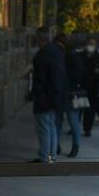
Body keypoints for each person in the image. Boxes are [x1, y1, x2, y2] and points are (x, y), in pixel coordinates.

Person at [29, 32, 69, 163]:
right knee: (51, 128)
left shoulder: (43, 55)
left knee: (44, 129)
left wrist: (36, 95)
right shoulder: (57, 53)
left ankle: (44, 157)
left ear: (41, 40)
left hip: (45, 99)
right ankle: (52, 157)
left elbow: (40, 80)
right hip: (54, 97)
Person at [57, 34, 83, 158]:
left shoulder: (61, 56)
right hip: (75, 93)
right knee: (74, 121)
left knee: (59, 120)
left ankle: (56, 145)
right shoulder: (75, 56)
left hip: (65, 93)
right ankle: (75, 146)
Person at [79, 36, 99, 136]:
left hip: (93, 88)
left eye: (92, 44)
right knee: (78, 108)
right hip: (81, 86)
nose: (89, 46)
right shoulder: (80, 56)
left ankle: (87, 129)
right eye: (88, 44)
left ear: (95, 46)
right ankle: (75, 126)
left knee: (89, 110)